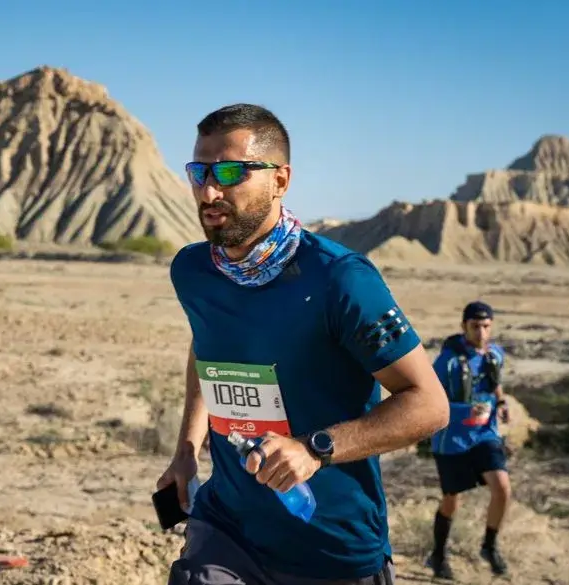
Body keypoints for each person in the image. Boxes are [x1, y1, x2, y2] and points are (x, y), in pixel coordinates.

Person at [157, 103, 450, 585]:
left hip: (330, 545)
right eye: (199, 172)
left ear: (280, 180)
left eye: (231, 172)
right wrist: (187, 447)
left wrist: (314, 449)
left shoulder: (340, 279)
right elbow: (206, 349)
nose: (209, 191)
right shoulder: (193, 271)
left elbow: (429, 405)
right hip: (228, 527)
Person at [425, 301, 511, 579]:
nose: (482, 333)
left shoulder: (495, 354)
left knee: (502, 488)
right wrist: (465, 410)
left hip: (485, 433)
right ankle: (438, 555)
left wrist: (501, 402)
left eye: (486, 326)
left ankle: (489, 545)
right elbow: (429, 401)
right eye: (476, 326)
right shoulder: (447, 361)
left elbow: (494, 383)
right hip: (452, 439)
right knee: (452, 501)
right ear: (464, 327)